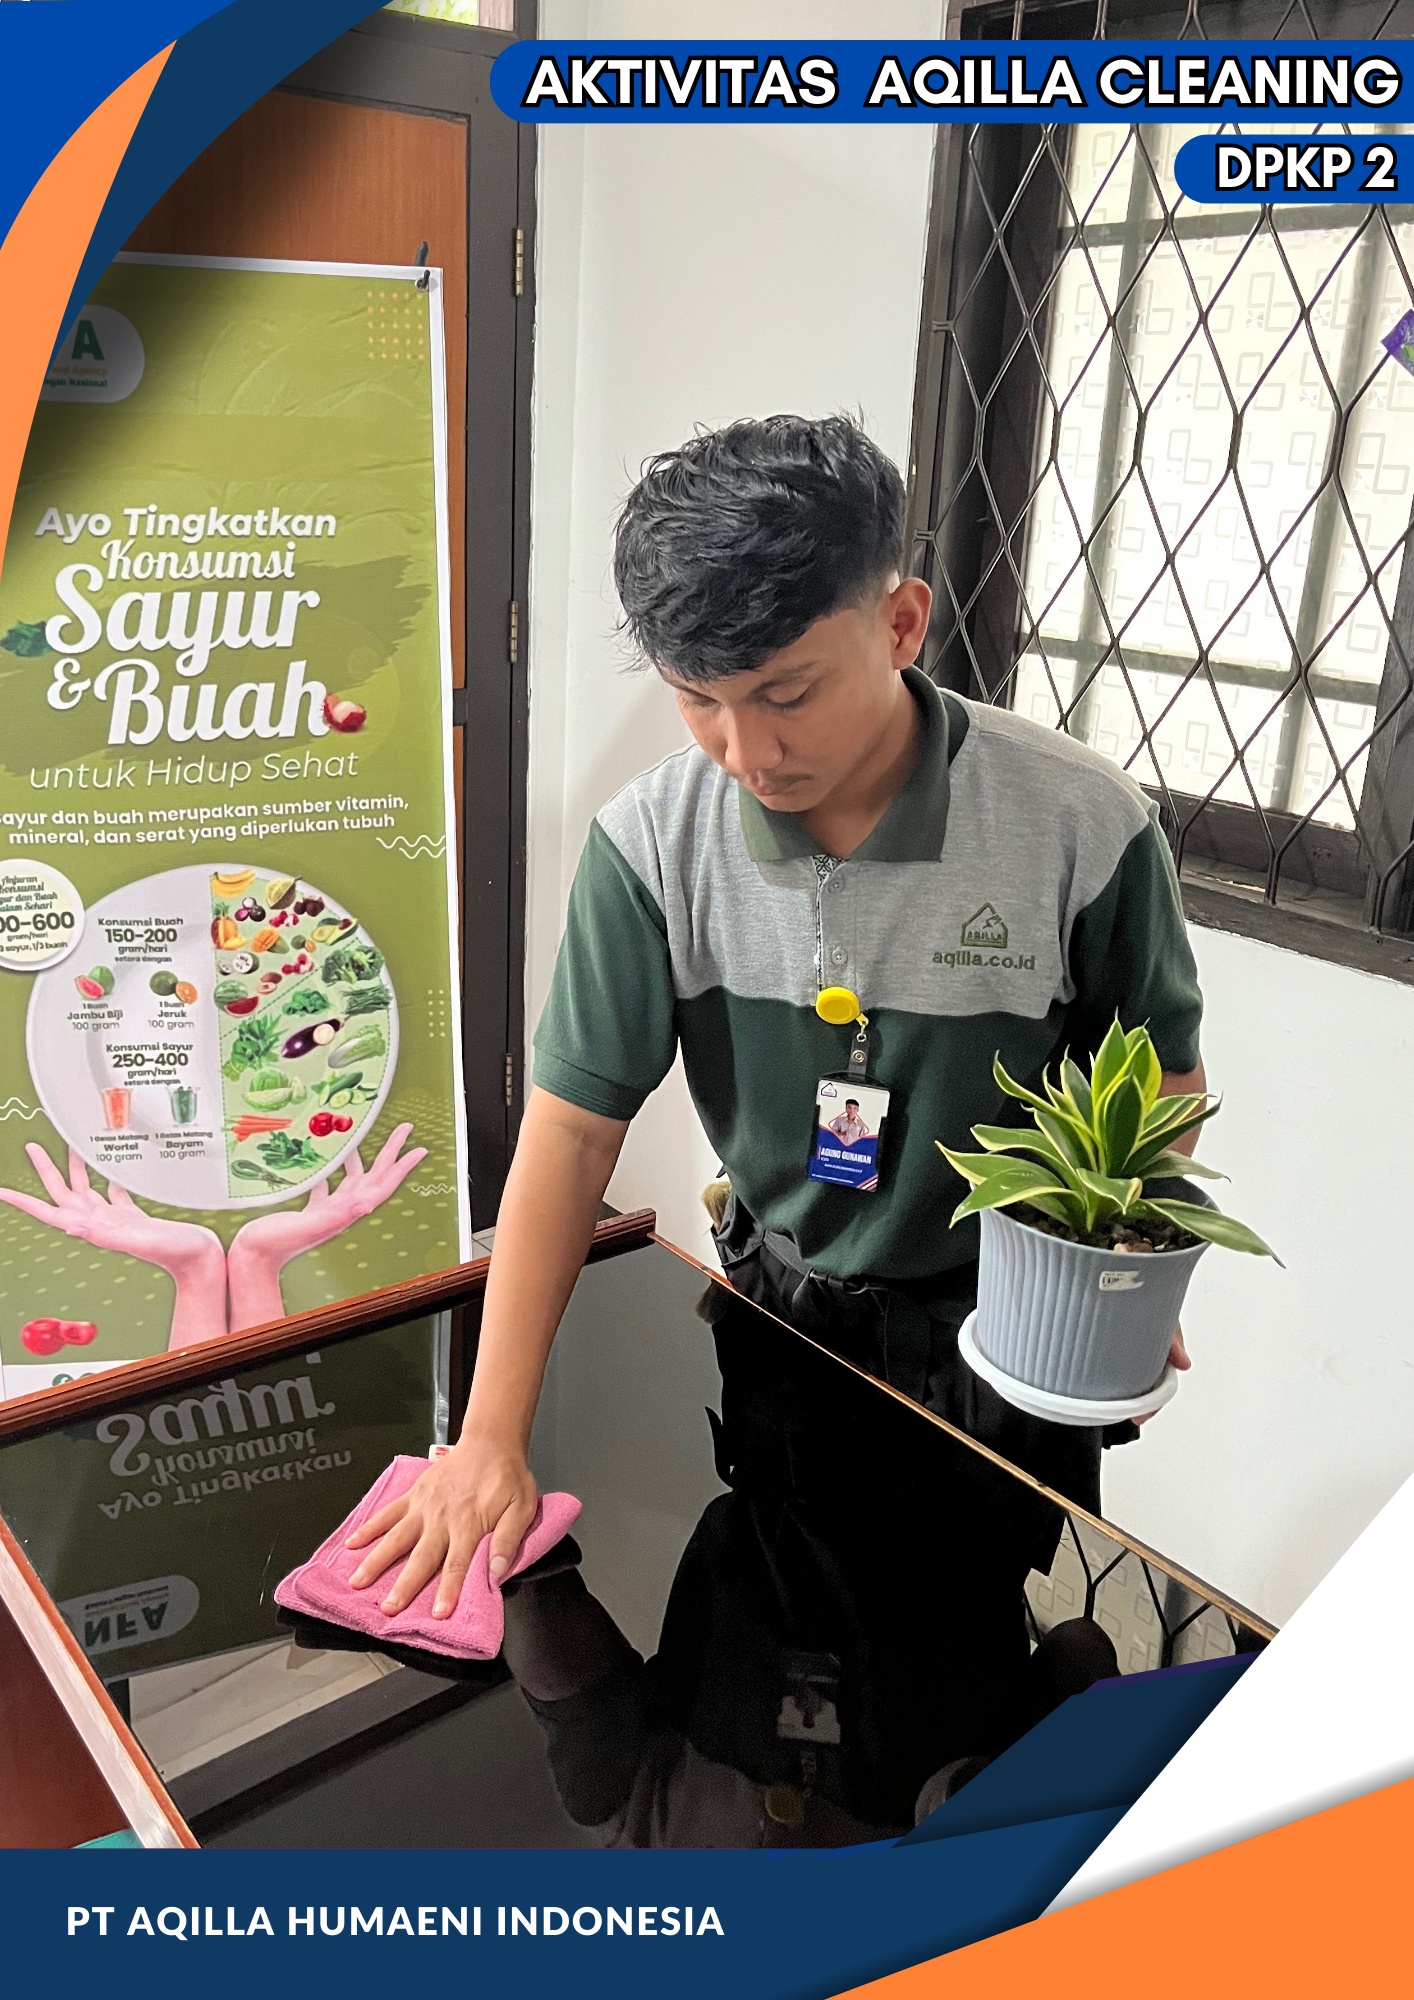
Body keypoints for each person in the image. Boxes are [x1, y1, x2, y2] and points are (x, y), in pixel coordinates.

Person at [344, 413, 1206, 1619]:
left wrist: (1118, 1265)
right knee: (764, 1609)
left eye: (786, 693)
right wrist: (488, 1435)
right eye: (697, 699)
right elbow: (572, 1132)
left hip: (996, 1326)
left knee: (966, 1633)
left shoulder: (1081, 824)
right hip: (776, 1314)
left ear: (899, 623)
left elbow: (1160, 1081)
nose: (747, 749)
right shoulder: (651, 846)